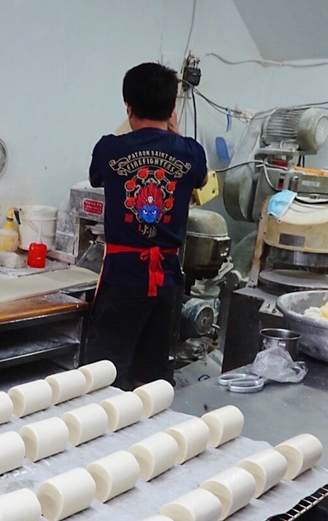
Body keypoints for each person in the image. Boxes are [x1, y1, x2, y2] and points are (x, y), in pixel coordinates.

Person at [86, 62, 208, 390]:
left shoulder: (109, 147)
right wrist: (174, 133)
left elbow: (95, 176)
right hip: (166, 280)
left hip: (122, 278)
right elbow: (201, 179)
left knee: (103, 374)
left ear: (128, 106)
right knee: (151, 377)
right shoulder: (191, 152)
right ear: (172, 109)